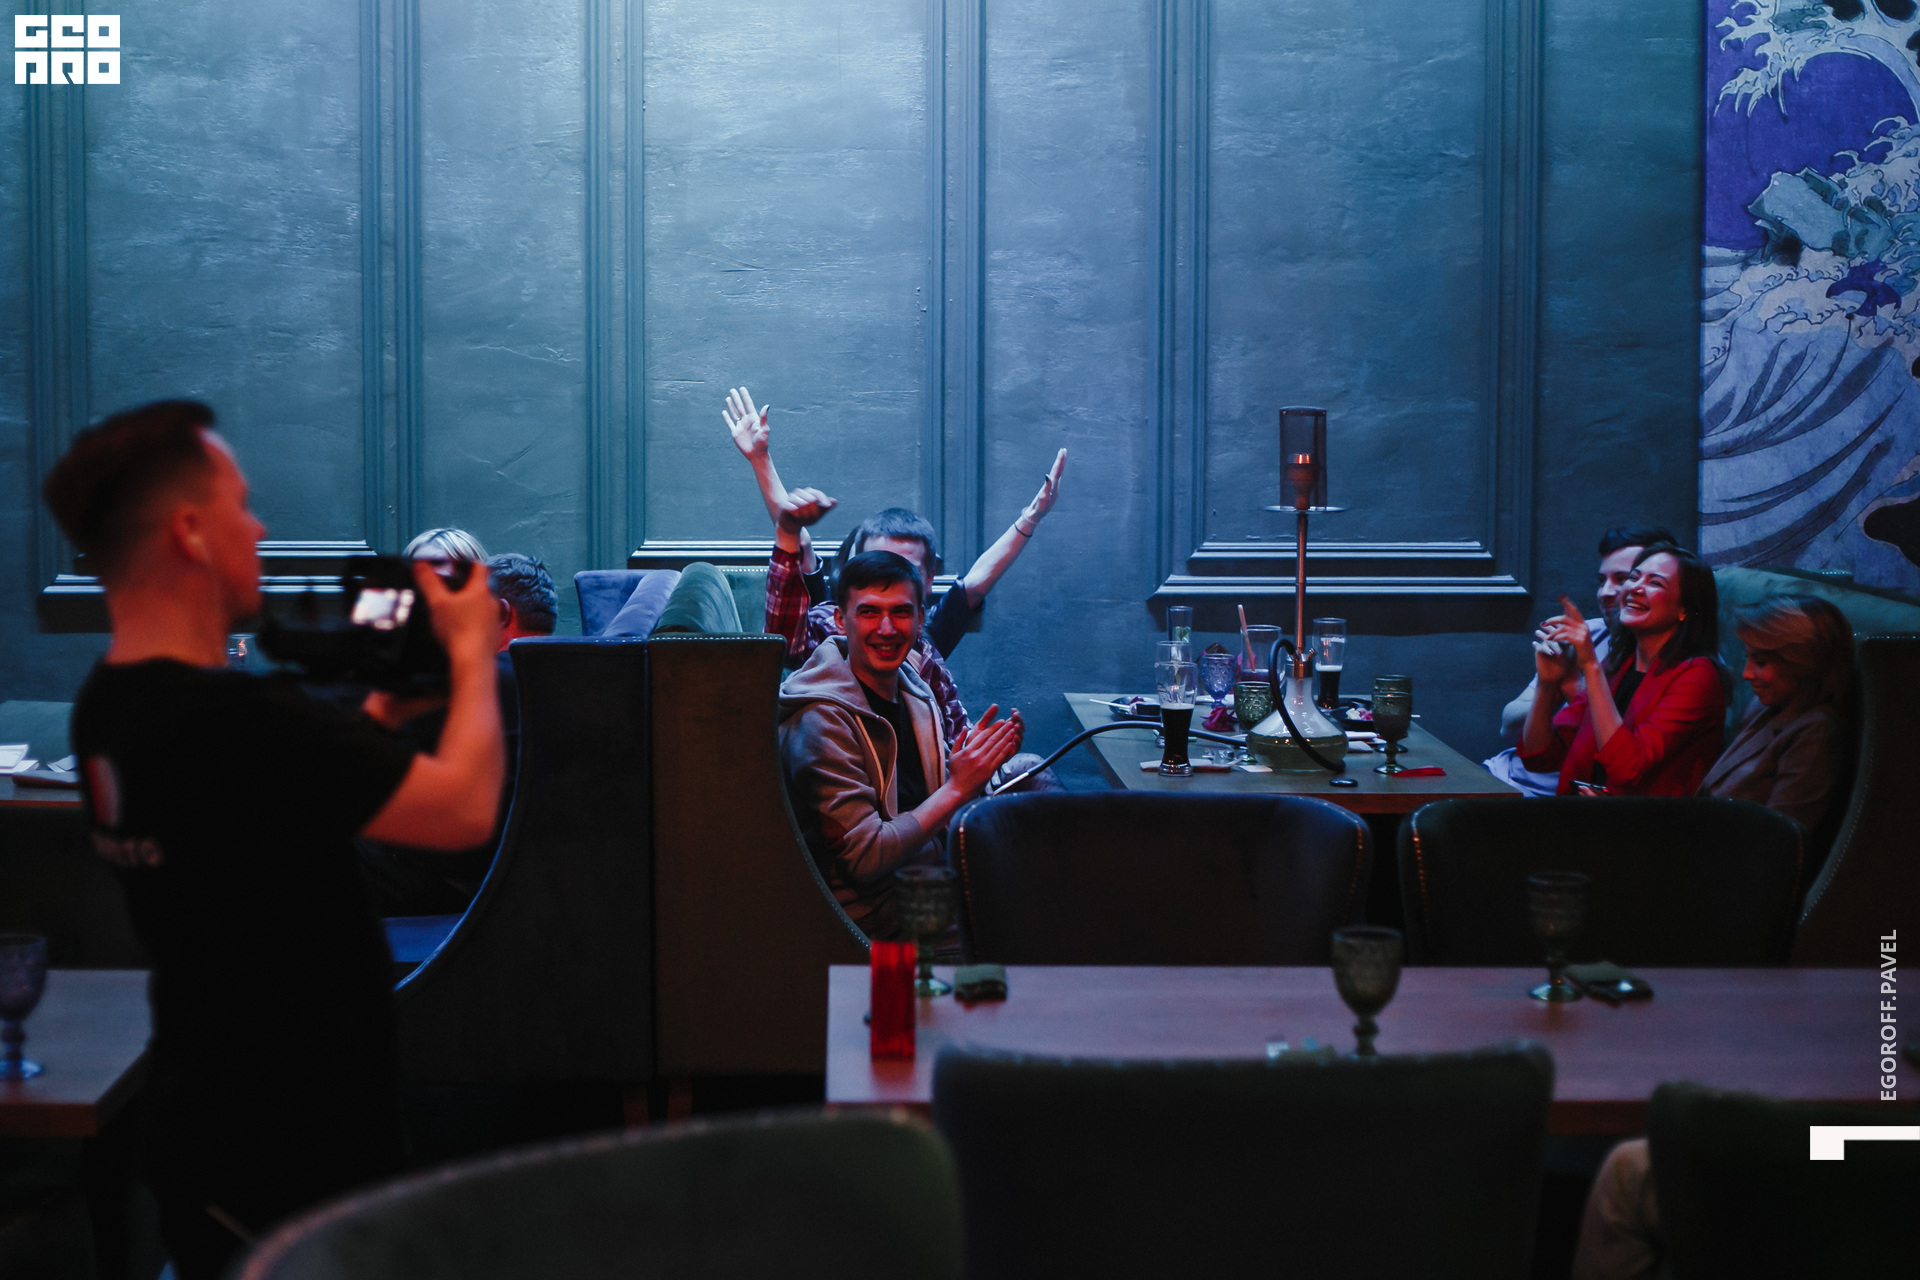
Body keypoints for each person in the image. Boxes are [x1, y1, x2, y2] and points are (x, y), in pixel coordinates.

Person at [44, 401, 505, 1280]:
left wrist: (376, 720)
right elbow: (463, 812)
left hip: (205, 1118)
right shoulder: (236, 717)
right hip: (292, 1144)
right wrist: (475, 650)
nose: (258, 528)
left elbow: (262, 814)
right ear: (189, 531)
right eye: (242, 505)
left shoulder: (107, 706)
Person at [722, 385, 1066, 755]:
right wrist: (762, 464)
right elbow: (794, 568)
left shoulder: (924, 649)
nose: (886, 626)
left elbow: (977, 584)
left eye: (902, 596)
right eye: (871, 603)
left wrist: (1031, 517)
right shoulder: (829, 634)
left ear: (923, 595)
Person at [778, 551, 1024, 940]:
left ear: (920, 619)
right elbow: (866, 858)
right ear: (840, 620)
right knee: (1038, 909)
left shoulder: (912, 687)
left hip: (927, 874)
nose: (887, 628)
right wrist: (959, 787)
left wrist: (972, 765)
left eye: (901, 612)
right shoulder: (821, 719)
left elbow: (926, 797)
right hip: (866, 916)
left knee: (1038, 824)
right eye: (869, 612)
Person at [357, 548, 557, 916]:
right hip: (523, 883)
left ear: (499, 613)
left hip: (447, 885)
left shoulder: (478, 682)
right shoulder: (566, 681)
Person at [1520, 543, 1729, 797]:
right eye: (1634, 577)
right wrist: (1546, 684)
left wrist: (1589, 666)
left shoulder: (1698, 676)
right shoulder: (1618, 664)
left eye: (1655, 583)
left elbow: (1628, 769)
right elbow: (1540, 757)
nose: (1635, 588)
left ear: (1684, 609)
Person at [1486, 524, 1677, 795]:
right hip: (1503, 772)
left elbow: (1623, 756)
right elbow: (1510, 727)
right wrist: (1548, 687)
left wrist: (1574, 686)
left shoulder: (1683, 667)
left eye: (1623, 579)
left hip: (1554, 795)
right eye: (1602, 581)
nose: (1605, 592)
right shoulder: (1590, 634)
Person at [1699, 594, 1853, 830]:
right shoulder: (1764, 707)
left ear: (1803, 663)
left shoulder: (1816, 732)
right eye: (1747, 658)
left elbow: (1778, 839)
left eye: (1761, 662)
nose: (1746, 674)